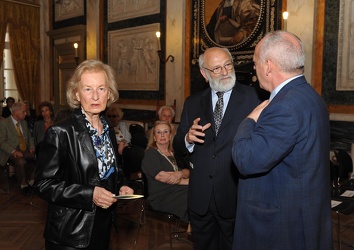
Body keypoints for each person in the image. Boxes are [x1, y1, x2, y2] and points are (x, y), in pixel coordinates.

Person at [231, 30, 333, 249]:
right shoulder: (312, 97)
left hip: (279, 225)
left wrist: (248, 121)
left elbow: (246, 160)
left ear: (267, 66)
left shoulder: (285, 106)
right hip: (303, 213)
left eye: (255, 62)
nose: (254, 68)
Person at [33, 60, 134, 250]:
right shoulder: (60, 132)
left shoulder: (109, 130)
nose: (95, 96)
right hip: (70, 231)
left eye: (101, 88)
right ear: (77, 94)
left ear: (110, 93)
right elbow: (42, 184)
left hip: (103, 223)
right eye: (88, 89)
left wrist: (122, 186)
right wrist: (89, 194)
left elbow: (113, 171)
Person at [173, 47, 260, 250]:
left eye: (228, 65)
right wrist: (187, 138)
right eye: (217, 68)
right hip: (200, 200)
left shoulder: (254, 98)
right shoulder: (193, 102)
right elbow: (178, 145)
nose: (224, 72)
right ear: (204, 73)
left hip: (236, 196)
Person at [142, 120, 190, 223]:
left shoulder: (174, 153)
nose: (162, 135)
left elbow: (187, 171)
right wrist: (189, 182)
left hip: (176, 190)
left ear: (170, 136)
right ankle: (197, 227)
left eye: (166, 132)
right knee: (194, 192)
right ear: (154, 137)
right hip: (161, 197)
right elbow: (162, 177)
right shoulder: (151, 154)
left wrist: (179, 173)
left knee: (200, 192)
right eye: (158, 132)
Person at [0, 102, 36, 196]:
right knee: (21, 162)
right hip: (10, 151)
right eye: (23, 111)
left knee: (39, 156)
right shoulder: (4, 123)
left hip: (25, 149)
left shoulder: (23, 122)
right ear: (16, 112)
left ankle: (32, 181)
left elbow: (30, 137)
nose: (26, 114)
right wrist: (13, 151)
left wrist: (32, 147)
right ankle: (23, 185)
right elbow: (2, 142)